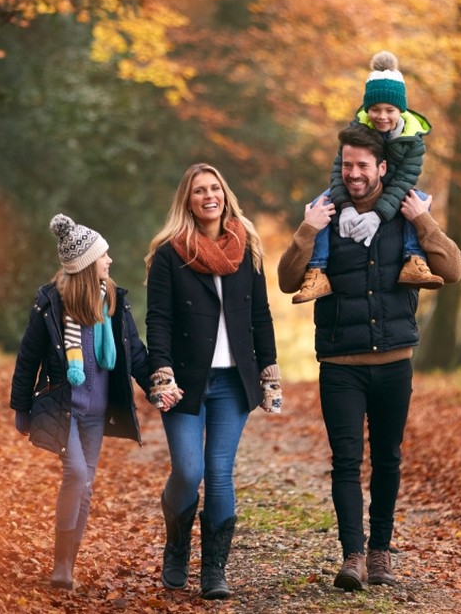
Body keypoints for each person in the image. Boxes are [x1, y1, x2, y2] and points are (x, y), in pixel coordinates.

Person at [277, 124, 461, 590]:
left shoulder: (404, 214)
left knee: (387, 459)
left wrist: (424, 220)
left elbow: (454, 270)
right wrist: (307, 228)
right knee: (345, 462)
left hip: (394, 363)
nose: (355, 173)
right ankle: (353, 557)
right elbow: (285, 280)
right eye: (347, 165)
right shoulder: (325, 214)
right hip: (341, 365)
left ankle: (380, 552)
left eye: (363, 165)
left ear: (382, 168)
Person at [144, 163, 281, 600]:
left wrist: (269, 370)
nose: (209, 196)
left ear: (225, 194)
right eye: (200, 190)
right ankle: (177, 545)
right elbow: (158, 318)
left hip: (234, 381)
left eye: (215, 188)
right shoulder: (170, 253)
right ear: (188, 199)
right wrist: (160, 369)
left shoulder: (248, 247)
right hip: (185, 380)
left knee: (220, 473)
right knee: (189, 469)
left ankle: (215, 571)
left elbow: (260, 315)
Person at [9, 214, 154, 590]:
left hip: (97, 413)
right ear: (88, 265)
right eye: (103, 256)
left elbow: (135, 354)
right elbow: (29, 357)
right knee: (75, 473)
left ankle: (67, 566)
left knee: (85, 484)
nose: (110, 261)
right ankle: (60, 563)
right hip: (65, 408)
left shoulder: (113, 304)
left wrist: (157, 386)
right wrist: (21, 407)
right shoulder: (51, 307)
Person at [292, 50, 443, 304]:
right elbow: (339, 172)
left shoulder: (413, 141)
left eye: (389, 110)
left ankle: (414, 259)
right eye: (375, 109)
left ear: (400, 110)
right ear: (367, 109)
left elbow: (406, 178)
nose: (381, 116)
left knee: (418, 202)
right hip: (358, 189)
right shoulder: (356, 133)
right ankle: (316, 270)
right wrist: (347, 206)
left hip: (394, 187)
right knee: (321, 205)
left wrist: (378, 214)